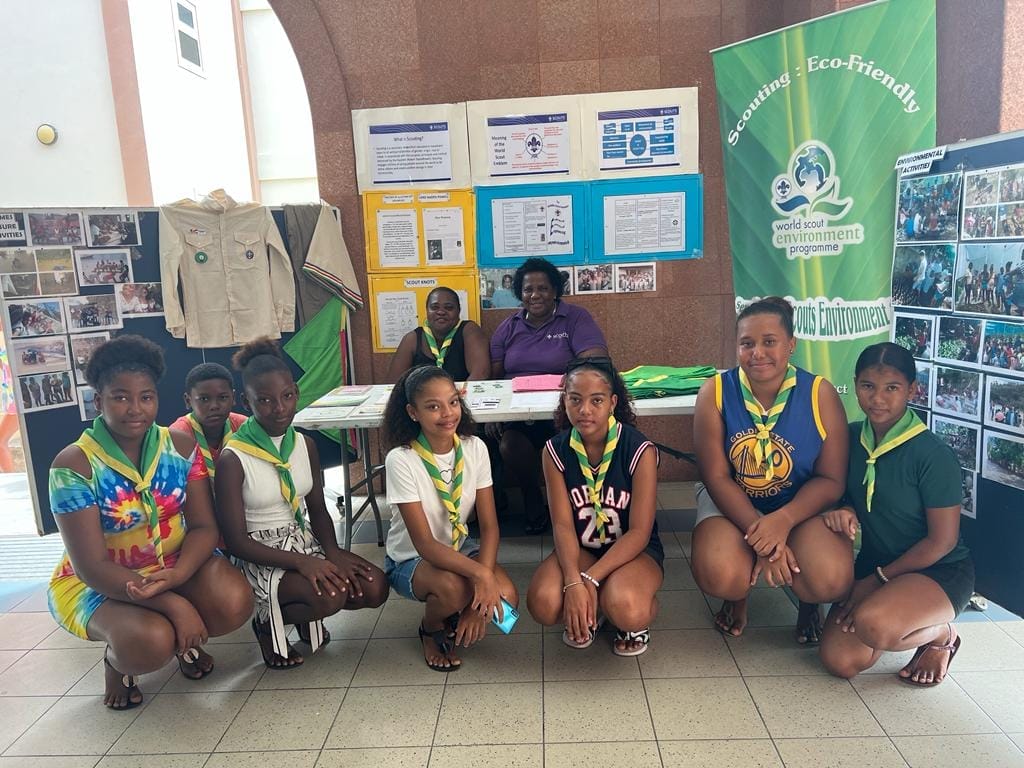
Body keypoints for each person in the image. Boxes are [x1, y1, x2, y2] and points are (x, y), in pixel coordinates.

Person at [47, 335, 253, 710]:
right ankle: (118, 664)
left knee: (234, 601)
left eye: (145, 396)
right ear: (99, 401)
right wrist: (175, 605)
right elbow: (91, 565)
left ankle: (182, 645)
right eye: (120, 397)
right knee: (150, 642)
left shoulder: (180, 447)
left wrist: (175, 578)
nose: (134, 408)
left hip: (174, 565)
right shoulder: (73, 466)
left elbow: (205, 527)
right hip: (99, 582)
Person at [216, 338, 388, 670]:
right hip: (261, 554)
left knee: (373, 587)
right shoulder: (233, 457)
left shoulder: (304, 444)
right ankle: (267, 624)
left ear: (296, 391)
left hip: (302, 540)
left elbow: (318, 510)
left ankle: (305, 613)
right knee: (331, 594)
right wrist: (303, 564)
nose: (279, 408)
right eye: (263, 400)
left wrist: (332, 552)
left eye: (286, 396)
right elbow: (236, 541)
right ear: (245, 401)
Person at [691, 297, 851, 644]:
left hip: (800, 503)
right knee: (719, 572)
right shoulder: (714, 392)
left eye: (769, 342)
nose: (757, 353)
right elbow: (716, 476)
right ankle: (737, 596)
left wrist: (783, 520)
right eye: (747, 343)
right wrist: (763, 539)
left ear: (791, 345)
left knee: (830, 578)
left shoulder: (819, 394)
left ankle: (809, 603)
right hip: (732, 501)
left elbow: (831, 480)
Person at [820, 343, 974, 686]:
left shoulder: (932, 454)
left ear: (912, 390)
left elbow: (942, 541)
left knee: (876, 626)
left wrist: (876, 580)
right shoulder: (850, 437)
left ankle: (941, 635)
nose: (878, 399)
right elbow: (833, 486)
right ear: (855, 384)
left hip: (937, 570)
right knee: (840, 661)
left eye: (892, 388)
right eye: (868, 387)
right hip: (877, 560)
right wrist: (842, 507)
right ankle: (890, 617)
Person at [381, 365, 518, 670]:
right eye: (433, 406)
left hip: (459, 547)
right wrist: (482, 576)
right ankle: (430, 629)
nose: (447, 414)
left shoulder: (475, 448)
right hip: (411, 558)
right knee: (454, 589)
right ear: (412, 412)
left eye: (453, 402)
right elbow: (425, 544)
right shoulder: (401, 459)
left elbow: (490, 526)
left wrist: (477, 608)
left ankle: (459, 613)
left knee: (507, 598)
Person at [526, 357, 662, 655]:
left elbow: (640, 531)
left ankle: (630, 617)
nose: (585, 410)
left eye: (596, 400)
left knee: (626, 606)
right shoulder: (555, 451)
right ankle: (594, 608)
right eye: (575, 400)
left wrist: (589, 578)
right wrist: (575, 580)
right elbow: (562, 524)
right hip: (583, 549)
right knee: (544, 602)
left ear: (613, 402)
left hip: (633, 553)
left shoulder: (639, 450)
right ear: (565, 401)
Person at [489, 257, 608, 534]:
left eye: (543, 288)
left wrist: (572, 375)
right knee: (510, 446)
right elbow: (492, 377)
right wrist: (492, 414)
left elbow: (596, 357)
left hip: (566, 410)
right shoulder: (508, 327)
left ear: (555, 290)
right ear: (520, 293)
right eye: (529, 289)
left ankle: (574, 508)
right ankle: (533, 499)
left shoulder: (575, 318)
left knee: (564, 447)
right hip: (517, 412)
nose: (535, 295)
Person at [387, 287, 490, 383]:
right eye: (434, 307)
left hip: (460, 399)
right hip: (421, 400)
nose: (441, 312)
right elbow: (394, 383)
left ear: (458, 311)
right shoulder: (412, 339)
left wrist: (453, 398)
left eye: (449, 308)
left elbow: (481, 374)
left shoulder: (469, 330)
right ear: (427, 311)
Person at [169, 363, 248, 480]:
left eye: (223, 397)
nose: (214, 406)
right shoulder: (178, 435)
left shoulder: (243, 426)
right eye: (204, 399)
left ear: (233, 397)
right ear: (188, 401)